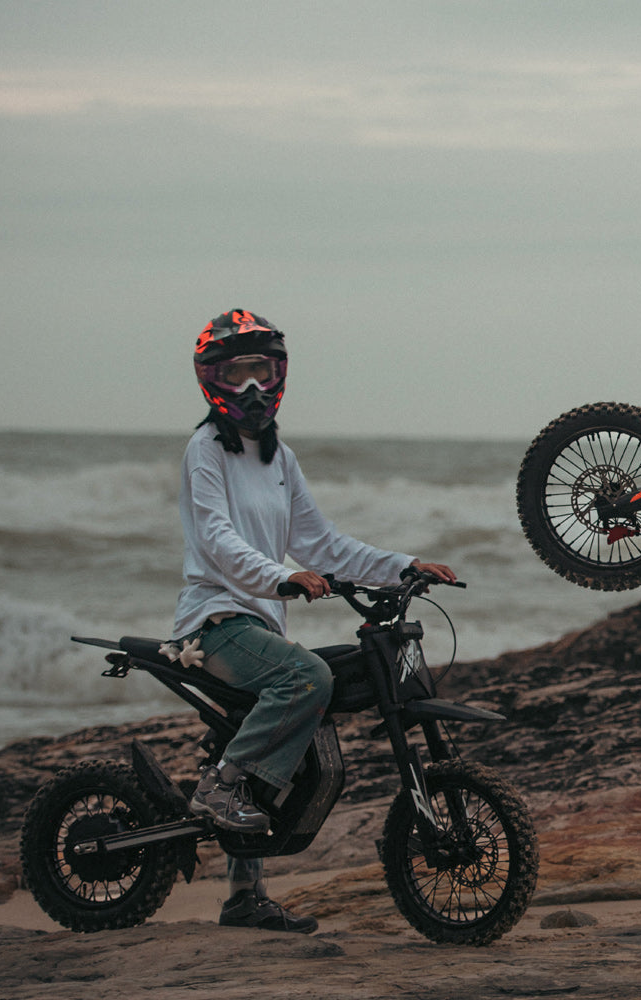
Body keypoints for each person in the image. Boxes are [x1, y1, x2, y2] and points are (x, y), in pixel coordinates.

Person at [174, 308, 456, 933]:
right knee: (306, 679)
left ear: (279, 374)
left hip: (259, 628)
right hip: (215, 623)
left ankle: (244, 896)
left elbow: (323, 544)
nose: (252, 386)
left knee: (307, 710)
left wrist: (404, 565)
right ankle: (219, 787)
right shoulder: (205, 450)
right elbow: (217, 539)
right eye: (239, 372)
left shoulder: (280, 460)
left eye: (263, 370)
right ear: (213, 378)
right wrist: (278, 577)